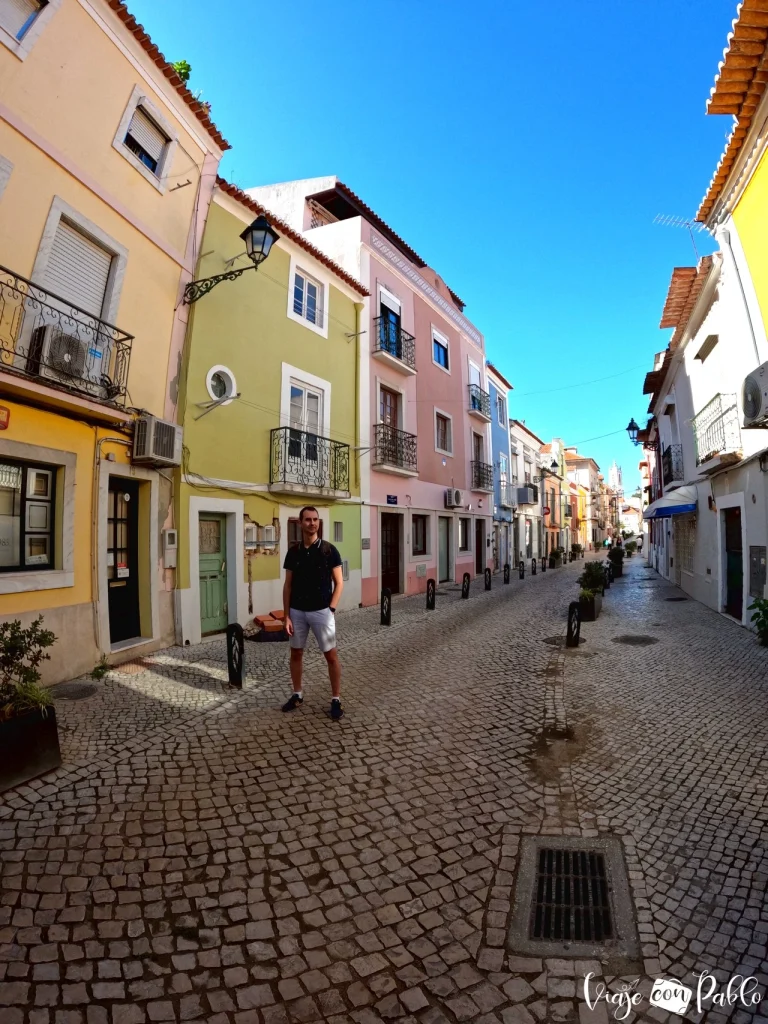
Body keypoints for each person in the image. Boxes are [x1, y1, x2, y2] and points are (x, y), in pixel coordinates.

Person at [281, 505, 344, 719]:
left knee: (331, 656)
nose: (312, 523)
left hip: (321, 612)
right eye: (307, 520)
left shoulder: (328, 550)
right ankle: (297, 694)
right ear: (300, 523)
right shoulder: (294, 552)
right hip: (297, 612)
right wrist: (286, 615)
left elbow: (339, 583)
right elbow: (288, 585)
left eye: (315, 519)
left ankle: (336, 699)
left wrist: (331, 609)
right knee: (296, 653)